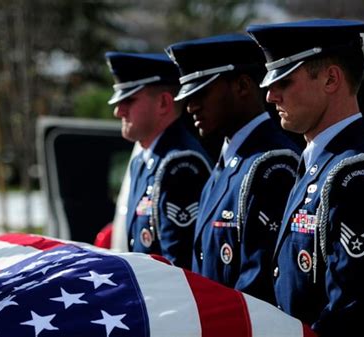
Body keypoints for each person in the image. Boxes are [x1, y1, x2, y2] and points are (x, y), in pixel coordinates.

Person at [247, 19, 364, 337]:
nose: (271, 96)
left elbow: (353, 312)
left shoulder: (359, 176)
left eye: (284, 81)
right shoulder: (320, 164)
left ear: (330, 78)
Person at [165, 34, 302, 304]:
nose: (191, 106)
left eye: (202, 93)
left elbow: (258, 285)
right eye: (189, 96)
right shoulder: (228, 161)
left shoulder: (273, 165)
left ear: (242, 86)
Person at [105, 51, 212, 269]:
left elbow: (179, 266)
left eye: (129, 100)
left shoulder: (181, 164)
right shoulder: (142, 160)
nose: (118, 111)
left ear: (164, 102)